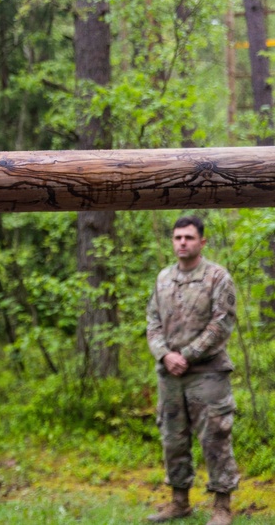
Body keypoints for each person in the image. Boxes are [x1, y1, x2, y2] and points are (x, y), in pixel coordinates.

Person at [146, 216, 238, 525]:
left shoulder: (217, 277)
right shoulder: (163, 278)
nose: (182, 242)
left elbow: (222, 323)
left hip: (207, 373)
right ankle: (179, 502)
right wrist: (164, 355)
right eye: (177, 237)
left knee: (215, 437)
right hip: (170, 374)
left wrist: (186, 355)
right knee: (172, 437)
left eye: (188, 237)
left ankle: (222, 507)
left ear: (202, 241)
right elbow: (152, 322)